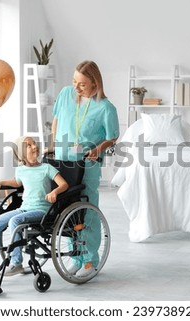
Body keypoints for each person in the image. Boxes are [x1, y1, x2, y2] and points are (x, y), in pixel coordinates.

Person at [48, 60, 119, 277]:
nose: (76, 88)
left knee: (85, 211)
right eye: (74, 82)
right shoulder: (66, 94)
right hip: (63, 162)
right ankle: (75, 257)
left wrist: (98, 149)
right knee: (67, 212)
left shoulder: (106, 108)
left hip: (86, 165)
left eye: (82, 84)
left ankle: (89, 260)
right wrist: (52, 147)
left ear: (95, 83)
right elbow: (56, 121)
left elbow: (112, 137)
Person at [0, 137, 68, 281]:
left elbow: (63, 184)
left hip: (41, 211)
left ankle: (16, 262)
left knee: (15, 221)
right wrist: (1, 182)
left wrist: (54, 192)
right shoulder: (21, 170)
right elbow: (17, 182)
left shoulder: (47, 168)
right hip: (24, 208)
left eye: (34, 144)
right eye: (29, 145)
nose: (34, 147)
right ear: (21, 153)